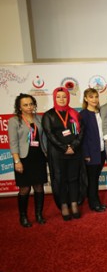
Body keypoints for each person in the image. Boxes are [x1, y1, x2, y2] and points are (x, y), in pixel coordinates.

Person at [42, 87, 85, 221]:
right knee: (60, 180)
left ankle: (74, 203)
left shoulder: (75, 114)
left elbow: (81, 132)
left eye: (64, 96)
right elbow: (49, 134)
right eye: (58, 97)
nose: (61, 99)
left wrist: (73, 146)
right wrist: (64, 147)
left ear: (68, 98)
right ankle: (64, 205)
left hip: (74, 152)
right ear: (54, 98)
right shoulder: (48, 115)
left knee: (73, 178)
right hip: (57, 153)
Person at [9, 94, 48, 227]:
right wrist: (17, 161)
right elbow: (13, 142)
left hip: (39, 157)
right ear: (19, 107)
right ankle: (23, 216)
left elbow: (44, 138)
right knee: (24, 189)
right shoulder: (14, 121)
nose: (29, 107)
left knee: (39, 187)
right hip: (23, 158)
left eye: (31, 104)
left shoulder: (39, 118)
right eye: (25, 105)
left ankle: (39, 215)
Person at [80, 88, 107, 213]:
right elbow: (82, 137)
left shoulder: (101, 112)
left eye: (96, 96)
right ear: (85, 99)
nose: (94, 99)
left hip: (101, 151)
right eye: (91, 97)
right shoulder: (83, 115)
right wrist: (86, 154)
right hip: (91, 153)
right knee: (92, 179)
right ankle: (94, 204)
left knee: (95, 178)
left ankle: (96, 201)